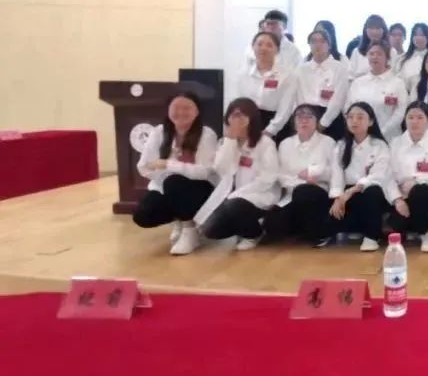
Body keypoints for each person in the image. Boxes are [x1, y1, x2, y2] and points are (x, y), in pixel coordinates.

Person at [133, 92, 218, 255]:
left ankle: (190, 230)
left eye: (187, 108)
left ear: (197, 111)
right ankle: (179, 217)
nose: (181, 112)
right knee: (143, 215)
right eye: (176, 107)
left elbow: (204, 172)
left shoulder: (207, 134)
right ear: (168, 110)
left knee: (174, 181)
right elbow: (143, 166)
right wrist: (167, 173)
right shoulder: (159, 132)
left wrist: (168, 165)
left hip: (200, 189)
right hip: (165, 186)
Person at [198, 97, 281, 252]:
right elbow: (220, 168)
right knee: (210, 230)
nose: (237, 120)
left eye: (242, 115)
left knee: (235, 205)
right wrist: (230, 140)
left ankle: (254, 234)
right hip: (231, 196)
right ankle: (244, 226)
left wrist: (238, 194)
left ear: (252, 118)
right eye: (233, 115)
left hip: (259, 194)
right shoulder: (226, 141)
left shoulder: (265, 142)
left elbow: (268, 178)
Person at [264, 105, 336, 246]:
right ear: (294, 121)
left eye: (309, 117)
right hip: (292, 194)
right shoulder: (285, 144)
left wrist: (313, 172)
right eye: (300, 117)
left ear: (317, 121)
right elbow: (280, 175)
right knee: (272, 224)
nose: (304, 121)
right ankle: (302, 229)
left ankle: (320, 233)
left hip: (318, 193)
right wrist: (301, 183)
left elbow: (334, 172)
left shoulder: (328, 142)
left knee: (305, 193)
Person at [385, 101, 428, 253]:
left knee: (420, 192)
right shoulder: (395, 144)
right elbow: (388, 176)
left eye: (420, 117)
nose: (414, 121)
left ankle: (426, 233)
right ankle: (412, 226)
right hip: (402, 194)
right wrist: (397, 200)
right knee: (398, 223)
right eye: (410, 117)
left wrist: (417, 181)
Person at [328, 102, 391, 251]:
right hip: (346, 194)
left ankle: (371, 237)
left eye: (360, 117)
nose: (354, 121)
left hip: (369, 192)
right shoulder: (341, 145)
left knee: (372, 192)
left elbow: (378, 175)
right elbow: (336, 174)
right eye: (350, 117)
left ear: (371, 121)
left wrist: (351, 191)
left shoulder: (380, 145)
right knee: (328, 220)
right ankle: (355, 229)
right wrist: (337, 197)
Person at [234, 31, 295, 140]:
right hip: (248, 124)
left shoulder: (287, 75)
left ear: (277, 50)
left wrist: (269, 132)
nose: (263, 48)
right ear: (253, 47)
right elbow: (238, 103)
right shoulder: (243, 73)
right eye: (259, 44)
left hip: (276, 126)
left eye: (269, 45)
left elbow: (285, 109)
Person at [294, 29, 349, 140]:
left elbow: (339, 99)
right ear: (309, 45)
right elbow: (298, 97)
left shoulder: (339, 68)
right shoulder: (301, 69)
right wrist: (304, 119)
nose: (318, 45)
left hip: (331, 117)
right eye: (313, 41)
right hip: (306, 116)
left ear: (329, 45)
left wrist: (324, 123)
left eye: (322, 41)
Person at [346, 41, 407, 140]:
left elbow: (400, 111)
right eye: (371, 54)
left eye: (379, 54)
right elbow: (348, 107)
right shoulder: (358, 82)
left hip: (389, 137)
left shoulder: (397, 83)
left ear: (387, 58)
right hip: (360, 136)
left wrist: (382, 131)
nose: (375, 57)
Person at [347, 14, 388, 79]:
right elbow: (350, 76)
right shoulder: (357, 52)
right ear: (365, 30)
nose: (374, 31)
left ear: (384, 30)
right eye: (371, 28)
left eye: (378, 28)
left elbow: (395, 74)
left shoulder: (391, 51)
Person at [396, 23, 428, 94]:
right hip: (406, 96)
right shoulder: (402, 58)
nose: (419, 38)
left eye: (422, 35)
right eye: (416, 35)